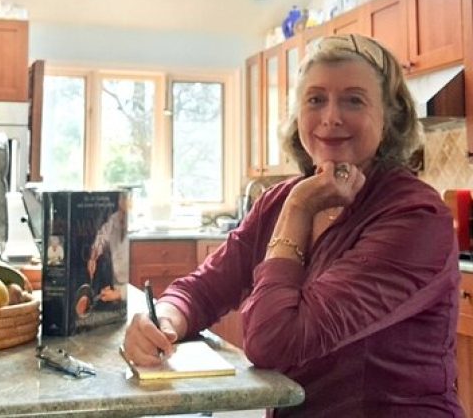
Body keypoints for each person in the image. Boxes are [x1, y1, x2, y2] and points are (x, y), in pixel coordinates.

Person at [122, 34, 463, 417]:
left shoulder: (414, 217)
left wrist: (299, 209)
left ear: (389, 120)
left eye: (354, 100)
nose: (331, 117)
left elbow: (276, 342)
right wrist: (162, 320)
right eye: (316, 99)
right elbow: (202, 289)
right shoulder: (280, 200)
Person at [88, 192, 130, 303]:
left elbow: (144, 285)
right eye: (121, 199)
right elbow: (101, 238)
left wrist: (120, 294)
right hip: (117, 283)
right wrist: (93, 258)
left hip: (131, 291)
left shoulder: (139, 226)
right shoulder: (114, 219)